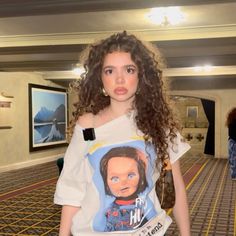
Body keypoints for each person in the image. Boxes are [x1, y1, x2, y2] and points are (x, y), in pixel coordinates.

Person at [54, 31, 191, 236]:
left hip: (149, 230)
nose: (119, 79)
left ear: (141, 76)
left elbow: (178, 188)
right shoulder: (88, 126)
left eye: (129, 69)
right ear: (100, 78)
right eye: (110, 71)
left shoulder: (159, 125)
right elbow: (73, 188)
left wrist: (186, 234)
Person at [226, 107, 236, 180]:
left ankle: (234, 175)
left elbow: (230, 133)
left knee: (232, 159)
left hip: (231, 141)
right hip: (234, 141)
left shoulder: (230, 121)